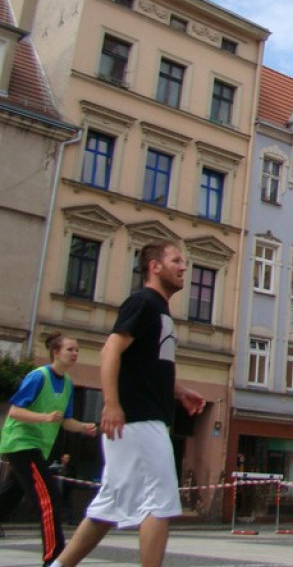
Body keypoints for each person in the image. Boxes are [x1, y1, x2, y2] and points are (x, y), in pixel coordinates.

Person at [52, 241, 205, 567]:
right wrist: (111, 404)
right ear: (155, 266)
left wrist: (179, 391)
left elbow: (145, 363)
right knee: (160, 501)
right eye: (176, 260)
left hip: (142, 418)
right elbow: (110, 351)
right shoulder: (143, 302)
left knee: (108, 506)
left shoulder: (159, 310)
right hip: (139, 420)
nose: (183, 268)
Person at [0, 332, 97, 566]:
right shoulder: (38, 376)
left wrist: (85, 427)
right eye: (70, 349)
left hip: (37, 447)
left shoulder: (67, 384)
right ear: (55, 352)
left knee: (13, 493)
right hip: (22, 443)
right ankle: (54, 557)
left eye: (77, 350)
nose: (75, 354)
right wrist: (44, 417)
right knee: (49, 497)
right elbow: (14, 411)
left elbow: (65, 421)